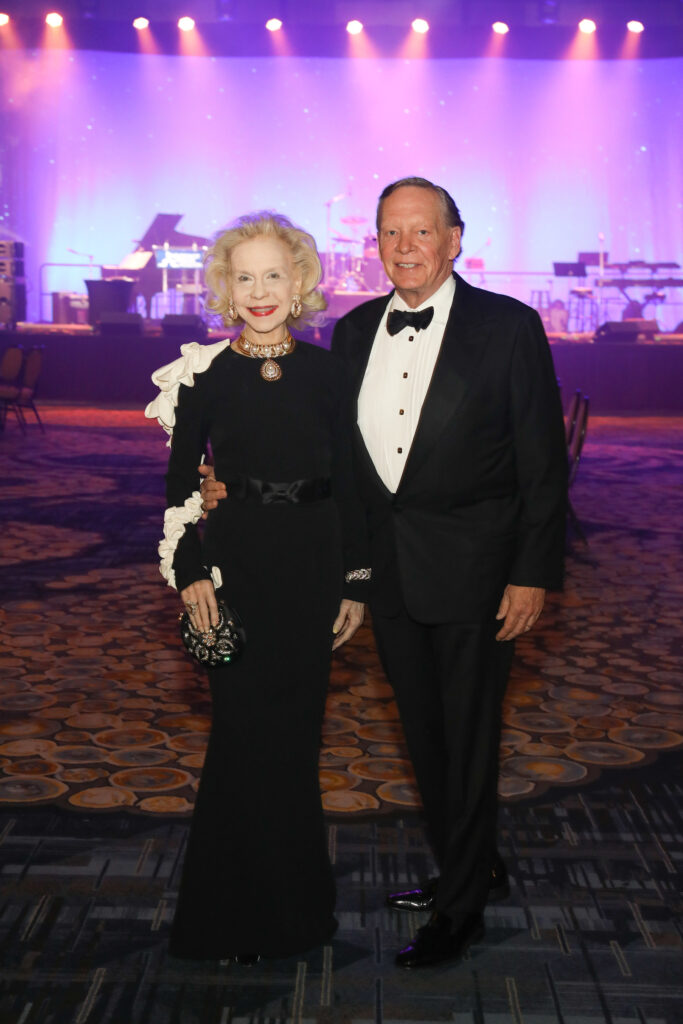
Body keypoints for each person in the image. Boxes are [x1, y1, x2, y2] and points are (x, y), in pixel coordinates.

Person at [201, 178, 568, 969]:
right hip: (391, 574)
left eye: (419, 231)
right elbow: (333, 459)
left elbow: (543, 465)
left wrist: (531, 572)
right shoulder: (357, 330)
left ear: (453, 240)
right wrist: (232, 485)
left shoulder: (508, 328)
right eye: (388, 233)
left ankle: (461, 904)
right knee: (425, 737)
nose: (403, 246)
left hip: (478, 570)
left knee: (469, 739)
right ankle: (472, 864)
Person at [145, 211, 369, 963]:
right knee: (241, 739)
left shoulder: (330, 372)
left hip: (310, 568)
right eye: (245, 277)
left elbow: (356, 487)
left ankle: (295, 913)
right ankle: (220, 917)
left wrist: (354, 582)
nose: (261, 290)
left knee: (295, 741)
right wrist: (190, 574)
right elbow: (180, 487)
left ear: (301, 282)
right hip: (234, 569)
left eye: (275, 274)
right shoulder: (203, 375)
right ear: (224, 287)